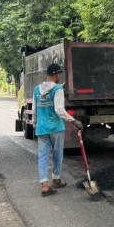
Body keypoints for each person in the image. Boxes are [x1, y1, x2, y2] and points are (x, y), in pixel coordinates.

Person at [33, 63, 83, 196]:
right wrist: (73, 120)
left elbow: (34, 110)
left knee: (43, 156)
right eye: (59, 75)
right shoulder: (57, 89)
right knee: (57, 155)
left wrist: (35, 125)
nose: (59, 77)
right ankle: (55, 180)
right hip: (55, 128)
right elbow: (59, 109)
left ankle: (44, 185)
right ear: (56, 75)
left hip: (42, 128)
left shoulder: (37, 89)